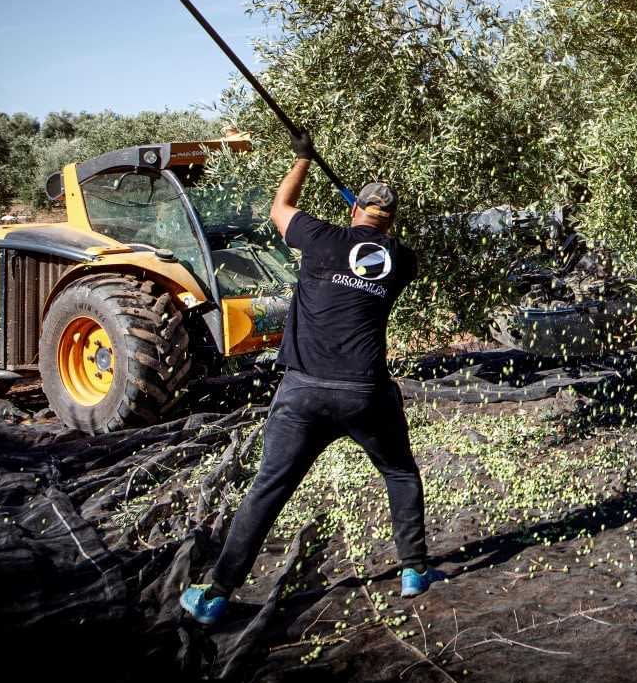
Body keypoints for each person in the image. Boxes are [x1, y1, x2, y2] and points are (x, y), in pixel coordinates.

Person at [180, 131, 441, 626]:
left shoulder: (322, 239)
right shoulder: (402, 261)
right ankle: (414, 571)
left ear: (354, 210)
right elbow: (378, 247)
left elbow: (281, 206)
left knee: (268, 489)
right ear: (390, 219)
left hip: (304, 392)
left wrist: (303, 160)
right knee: (401, 473)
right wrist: (368, 228)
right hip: (367, 393)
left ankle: (217, 594)